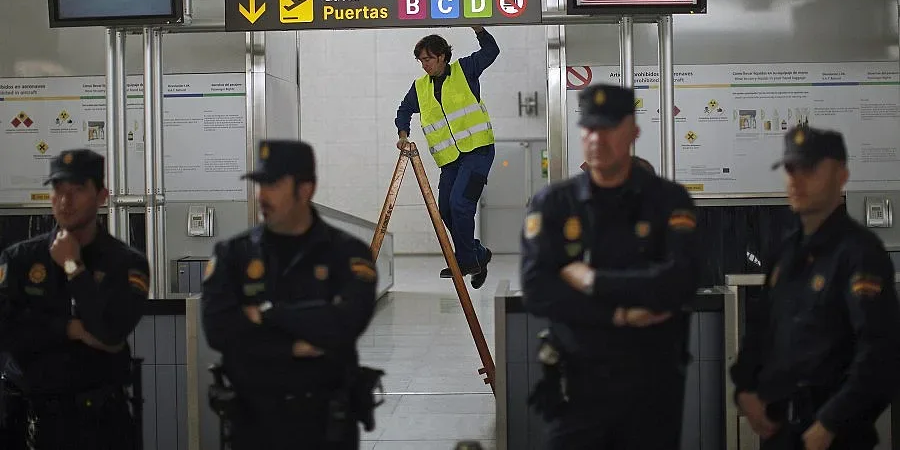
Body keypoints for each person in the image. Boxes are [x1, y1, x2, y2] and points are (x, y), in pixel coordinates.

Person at [520, 83, 700, 450]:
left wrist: (593, 281)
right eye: (589, 128)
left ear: (633, 131)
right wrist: (619, 314)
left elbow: (680, 281)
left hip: (652, 386)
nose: (596, 139)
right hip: (578, 384)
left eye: (608, 128)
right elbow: (538, 289)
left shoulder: (667, 200)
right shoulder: (555, 204)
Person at [730, 126, 900, 450]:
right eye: (790, 170)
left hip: (834, 435)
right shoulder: (786, 252)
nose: (796, 181)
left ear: (841, 175)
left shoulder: (859, 253)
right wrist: (745, 388)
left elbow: (879, 353)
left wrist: (831, 423)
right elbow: (762, 329)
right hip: (780, 430)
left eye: (809, 170)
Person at [202, 140, 378, 450]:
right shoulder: (234, 254)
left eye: (273, 185)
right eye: (260, 185)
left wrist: (265, 314)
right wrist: (293, 347)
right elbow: (218, 330)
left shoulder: (347, 254)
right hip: (253, 425)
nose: (262, 196)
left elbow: (344, 324)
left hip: (325, 427)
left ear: (305, 189)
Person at [0, 149, 149, 450]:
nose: (65, 201)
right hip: (27, 419)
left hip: (98, 423)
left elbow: (110, 332)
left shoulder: (125, 263)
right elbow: (6, 330)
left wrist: (73, 267)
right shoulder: (20, 259)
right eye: (58, 190)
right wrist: (71, 329)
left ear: (102, 196)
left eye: (78, 190)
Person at [395, 27, 499, 289]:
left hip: (478, 150)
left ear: (442, 56)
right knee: (446, 209)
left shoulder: (465, 70)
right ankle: (477, 255)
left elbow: (491, 51)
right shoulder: (420, 87)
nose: (424, 65)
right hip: (450, 160)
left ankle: (465, 261)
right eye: (420, 60)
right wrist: (403, 134)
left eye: (428, 59)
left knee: (460, 204)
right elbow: (404, 110)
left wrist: (479, 29)